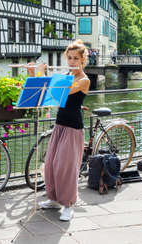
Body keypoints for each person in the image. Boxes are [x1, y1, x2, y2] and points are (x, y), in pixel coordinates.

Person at [27, 40, 90, 221]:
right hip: (60, 125)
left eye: (75, 58)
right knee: (51, 165)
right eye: (69, 58)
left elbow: (62, 91)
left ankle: (69, 204)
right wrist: (34, 74)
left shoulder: (84, 80)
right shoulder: (65, 75)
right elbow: (46, 93)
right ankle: (54, 199)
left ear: (82, 60)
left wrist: (44, 73)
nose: (71, 62)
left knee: (66, 167)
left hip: (73, 128)